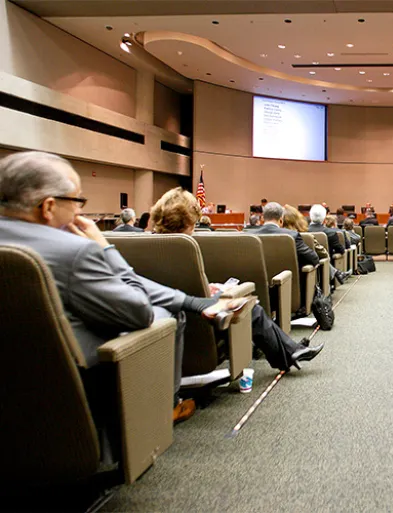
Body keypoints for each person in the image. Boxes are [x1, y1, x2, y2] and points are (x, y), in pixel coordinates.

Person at [0, 153, 264, 424]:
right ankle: (166, 407)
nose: (80, 212)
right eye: (78, 201)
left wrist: (189, 300)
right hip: (70, 387)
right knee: (166, 315)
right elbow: (138, 311)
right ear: (48, 207)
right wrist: (104, 248)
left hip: (16, 379)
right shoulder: (75, 251)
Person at [151, 190, 324, 373]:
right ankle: (289, 352)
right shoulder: (184, 247)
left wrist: (207, 287)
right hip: (193, 315)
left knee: (247, 304)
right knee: (250, 306)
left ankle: (290, 352)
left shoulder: (148, 244)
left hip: (164, 312)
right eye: (193, 224)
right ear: (186, 221)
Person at [256, 202, 318, 269]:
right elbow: (313, 258)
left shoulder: (248, 236)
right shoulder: (292, 236)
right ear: (281, 220)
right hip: (288, 278)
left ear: (262, 218)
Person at [308, 204, 351, 285]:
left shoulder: (303, 232)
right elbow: (341, 250)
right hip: (327, 264)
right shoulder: (331, 233)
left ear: (310, 217)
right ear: (324, 219)